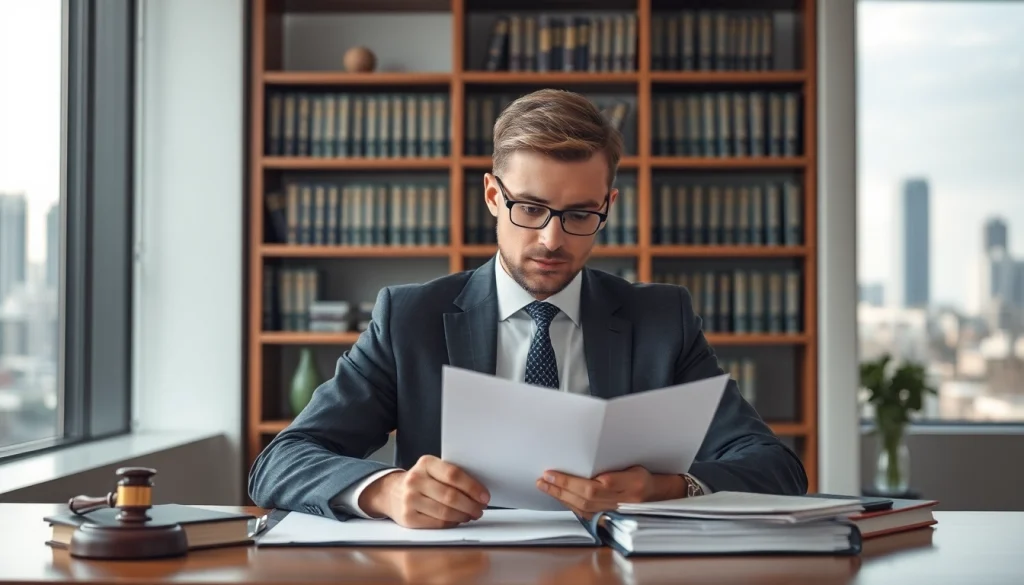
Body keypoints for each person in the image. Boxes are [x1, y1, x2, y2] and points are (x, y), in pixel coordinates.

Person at [248, 89, 807, 529]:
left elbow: (776, 468)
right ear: (493, 195)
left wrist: (667, 487)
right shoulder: (410, 318)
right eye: (531, 209)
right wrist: (385, 490)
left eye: (580, 214)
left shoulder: (662, 319)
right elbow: (281, 462)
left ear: (609, 205)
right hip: (454, 569)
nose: (551, 240)